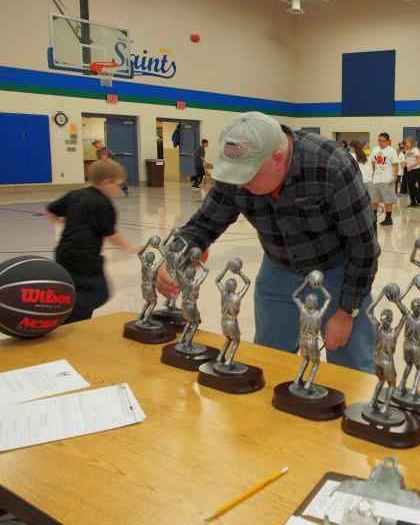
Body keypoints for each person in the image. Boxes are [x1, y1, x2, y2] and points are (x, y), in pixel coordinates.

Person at [156, 112, 380, 374]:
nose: (241, 183)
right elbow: (203, 224)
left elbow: (363, 247)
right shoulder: (237, 177)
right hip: (279, 269)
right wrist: (172, 258)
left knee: (350, 363)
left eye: (249, 174)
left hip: (338, 271)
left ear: (278, 157)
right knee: (268, 360)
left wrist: (346, 312)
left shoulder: (331, 166)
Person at [46, 159, 138, 323]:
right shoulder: (103, 203)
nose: (119, 189)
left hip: (64, 252)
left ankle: (66, 315)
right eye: (118, 185)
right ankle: (73, 322)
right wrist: (128, 248)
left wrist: (63, 223)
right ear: (106, 182)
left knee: (70, 289)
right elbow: (110, 234)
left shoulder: (74, 194)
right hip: (85, 257)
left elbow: (51, 210)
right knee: (96, 293)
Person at [370, 133, 399, 227]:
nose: (380, 143)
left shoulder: (391, 151)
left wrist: (394, 177)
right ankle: (373, 218)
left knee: (388, 200)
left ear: (387, 141)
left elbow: (395, 165)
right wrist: (373, 175)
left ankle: (388, 219)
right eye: (379, 140)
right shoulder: (375, 149)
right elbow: (373, 163)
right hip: (376, 179)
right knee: (374, 200)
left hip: (387, 179)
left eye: (383, 141)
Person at [403, 137, 420, 208]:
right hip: (408, 170)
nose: (406, 143)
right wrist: (405, 164)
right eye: (406, 142)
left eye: (407, 142)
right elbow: (407, 160)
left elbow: (419, 160)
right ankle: (414, 202)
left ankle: (418, 200)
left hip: (415, 170)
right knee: (410, 186)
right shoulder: (406, 150)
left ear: (411, 142)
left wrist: (411, 166)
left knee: (412, 186)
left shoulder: (415, 150)